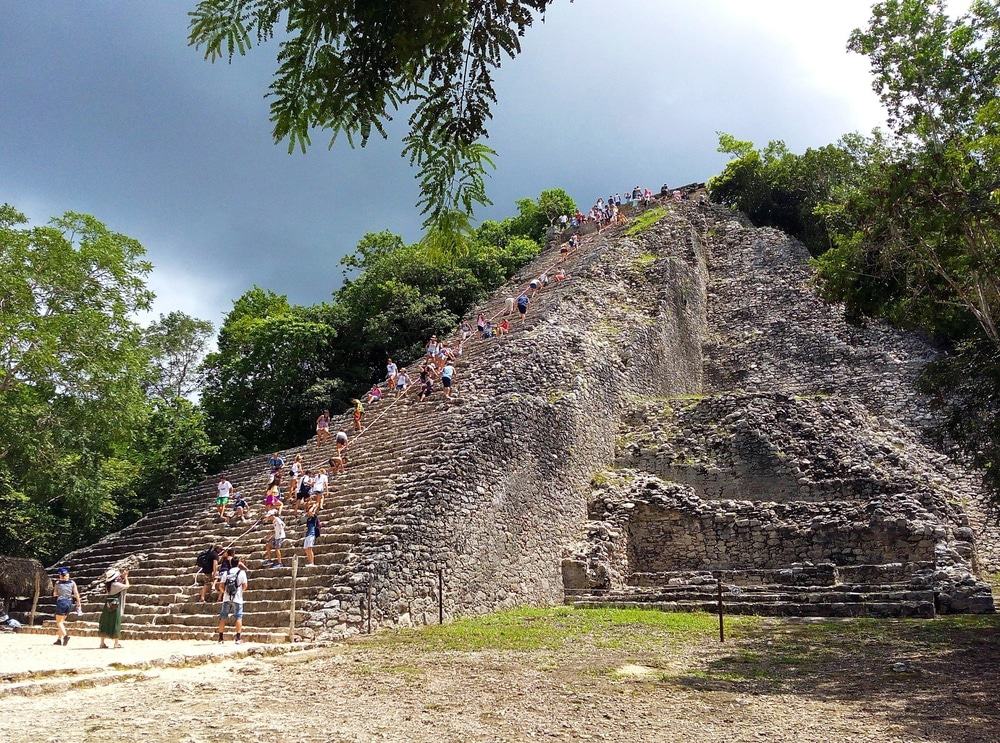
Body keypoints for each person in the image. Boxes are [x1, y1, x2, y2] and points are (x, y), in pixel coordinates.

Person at [217, 558, 248, 644]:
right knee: (238, 617)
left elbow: (221, 586)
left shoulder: (226, 572)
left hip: (226, 598)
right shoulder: (242, 573)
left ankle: (220, 638)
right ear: (238, 563)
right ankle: (238, 638)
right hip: (237, 598)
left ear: (231, 563)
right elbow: (245, 586)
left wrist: (225, 593)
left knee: (223, 617)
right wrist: (240, 591)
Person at [98, 569, 129, 649]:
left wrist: (122, 576)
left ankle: (102, 643)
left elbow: (118, 582)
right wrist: (125, 578)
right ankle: (116, 643)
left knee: (105, 622)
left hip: (108, 604)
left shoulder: (108, 584)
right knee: (116, 622)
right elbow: (127, 586)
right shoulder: (116, 585)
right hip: (115, 604)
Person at [51, 567, 81, 646]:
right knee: (62, 622)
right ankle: (59, 639)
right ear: (68, 575)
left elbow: (54, 594)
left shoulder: (57, 583)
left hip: (61, 602)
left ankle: (65, 636)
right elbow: (76, 593)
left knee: (59, 622)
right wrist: (78, 603)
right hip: (69, 603)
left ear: (60, 575)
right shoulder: (72, 583)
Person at [303, 503, 320, 567]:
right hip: (307, 534)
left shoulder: (314, 517)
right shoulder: (308, 519)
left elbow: (310, 512)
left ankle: (312, 563)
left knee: (309, 548)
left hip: (312, 534)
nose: (307, 511)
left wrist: (313, 506)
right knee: (306, 549)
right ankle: (310, 562)